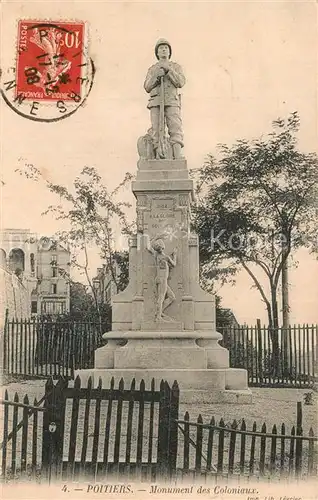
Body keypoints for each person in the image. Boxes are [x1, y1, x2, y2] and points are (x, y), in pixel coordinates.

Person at [144, 39, 185, 160]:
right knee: (156, 130)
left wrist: (169, 71)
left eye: (166, 48)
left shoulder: (176, 67)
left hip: (171, 101)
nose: (163, 50)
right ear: (157, 53)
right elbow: (147, 86)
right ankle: (158, 156)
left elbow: (181, 82)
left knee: (175, 127)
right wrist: (157, 76)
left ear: (169, 52)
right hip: (156, 102)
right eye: (161, 48)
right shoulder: (152, 69)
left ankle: (177, 156)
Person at [147, 237, 177, 321]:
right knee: (161, 298)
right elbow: (174, 264)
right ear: (163, 247)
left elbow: (148, 247)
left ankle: (159, 312)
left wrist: (155, 237)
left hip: (159, 279)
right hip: (162, 280)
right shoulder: (166, 257)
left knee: (172, 297)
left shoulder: (156, 255)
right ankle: (158, 317)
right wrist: (175, 255)